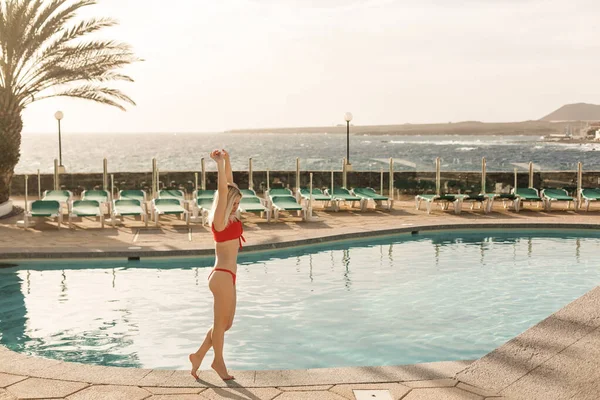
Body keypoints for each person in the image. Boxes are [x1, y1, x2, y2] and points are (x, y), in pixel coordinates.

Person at [189, 149, 243, 381]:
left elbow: (229, 185)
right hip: (221, 276)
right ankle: (218, 362)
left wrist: (229, 160)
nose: (236, 206)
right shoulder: (219, 219)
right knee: (219, 324)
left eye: (238, 203)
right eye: (234, 203)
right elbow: (223, 190)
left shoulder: (230, 216)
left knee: (226, 323)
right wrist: (219, 164)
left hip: (228, 276)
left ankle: (199, 354)